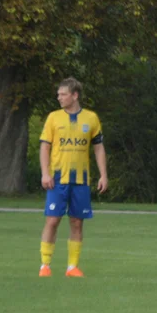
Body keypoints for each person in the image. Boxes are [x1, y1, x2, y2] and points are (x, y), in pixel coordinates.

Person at [38, 77, 108, 277]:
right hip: (58, 178)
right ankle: (45, 265)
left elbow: (98, 148)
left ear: (74, 95)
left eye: (63, 94)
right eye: (58, 94)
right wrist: (45, 173)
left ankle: (72, 267)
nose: (59, 97)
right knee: (52, 220)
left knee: (77, 222)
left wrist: (103, 175)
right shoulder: (53, 118)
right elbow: (45, 147)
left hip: (81, 181)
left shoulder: (91, 118)